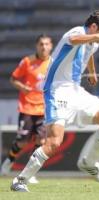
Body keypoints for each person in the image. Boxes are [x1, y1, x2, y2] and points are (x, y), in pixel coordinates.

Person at [10, 10, 99, 192]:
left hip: (76, 90)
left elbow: (90, 50)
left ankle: (89, 162)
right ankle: (20, 181)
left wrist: (91, 71)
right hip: (57, 90)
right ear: (93, 27)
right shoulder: (76, 31)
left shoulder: (93, 40)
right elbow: (76, 40)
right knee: (54, 142)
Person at [1, 34, 53, 184]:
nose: (44, 47)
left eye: (47, 44)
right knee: (22, 142)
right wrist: (22, 87)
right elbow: (13, 79)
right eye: (41, 44)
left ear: (51, 46)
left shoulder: (53, 63)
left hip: (44, 109)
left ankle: (30, 173)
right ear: (37, 46)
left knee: (41, 140)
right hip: (27, 107)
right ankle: (9, 161)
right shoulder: (27, 62)